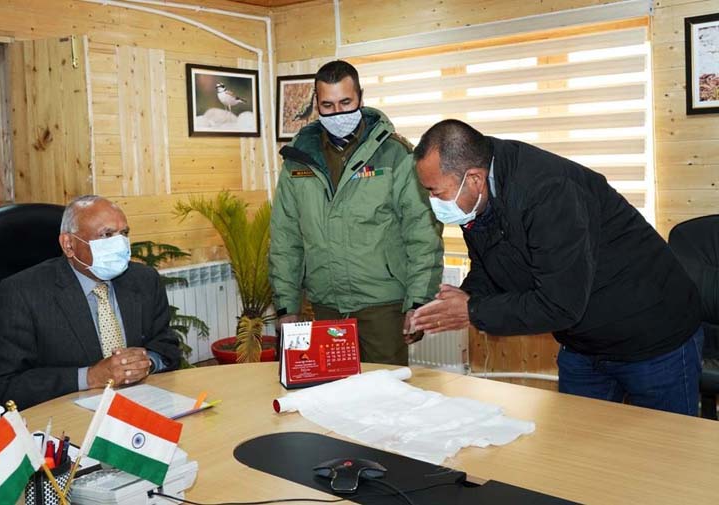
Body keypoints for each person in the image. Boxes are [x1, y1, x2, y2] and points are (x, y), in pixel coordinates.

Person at [410, 119, 703, 415]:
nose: (433, 201)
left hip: (653, 337)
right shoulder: (477, 193)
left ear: (473, 178)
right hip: (582, 343)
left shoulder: (549, 192)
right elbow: (490, 265)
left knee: (666, 453)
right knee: (578, 451)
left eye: (436, 192)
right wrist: (462, 300)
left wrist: (473, 311)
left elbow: (559, 303)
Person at [269, 60, 443, 366]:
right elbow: (285, 239)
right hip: (324, 305)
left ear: (360, 98)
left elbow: (422, 232)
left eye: (345, 103)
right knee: (332, 399)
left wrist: (419, 302)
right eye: (328, 105)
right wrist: (287, 307)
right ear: (316, 105)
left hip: (383, 306)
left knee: (387, 399)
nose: (338, 114)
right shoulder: (298, 161)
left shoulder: (394, 154)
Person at [0, 195, 181, 409]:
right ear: (69, 245)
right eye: (106, 235)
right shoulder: (22, 293)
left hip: (140, 406)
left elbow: (166, 345)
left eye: (124, 233)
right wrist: (90, 377)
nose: (120, 244)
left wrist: (147, 362)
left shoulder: (144, 280)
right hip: (66, 417)